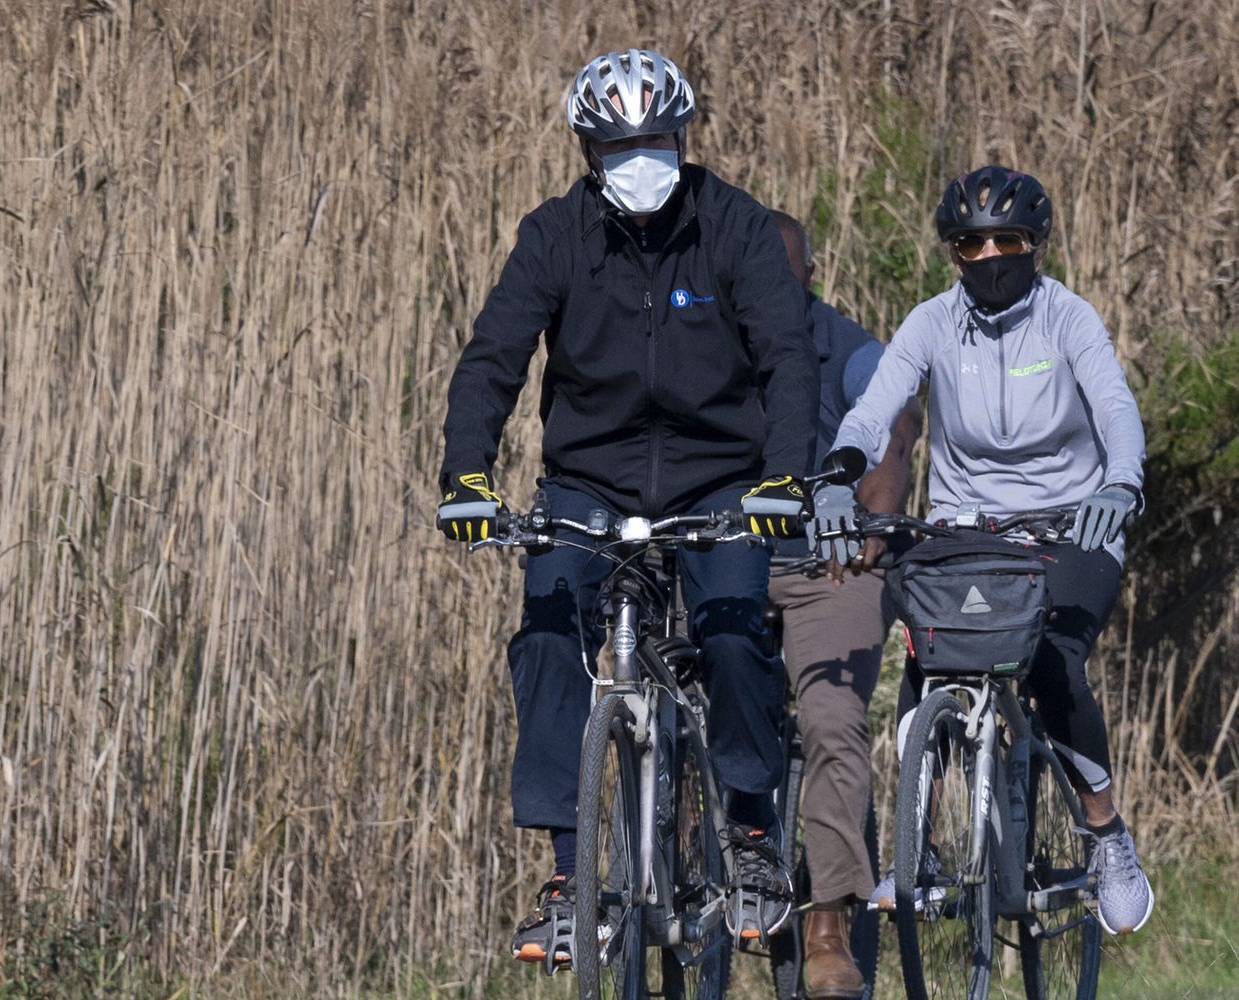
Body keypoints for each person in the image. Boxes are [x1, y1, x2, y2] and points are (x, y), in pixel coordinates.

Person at [435, 49, 820, 969]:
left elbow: (788, 359)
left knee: (732, 636)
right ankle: (571, 876)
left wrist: (782, 477)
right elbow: (495, 356)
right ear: (586, 147)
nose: (638, 158)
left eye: (654, 140)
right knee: (544, 630)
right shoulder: (555, 234)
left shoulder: (733, 226)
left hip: (718, 478)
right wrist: (466, 477)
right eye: (617, 145)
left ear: (682, 139)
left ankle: (754, 837)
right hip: (589, 483)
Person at [815, 165, 1154, 935]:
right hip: (966, 527)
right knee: (926, 654)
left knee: (1053, 661)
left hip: (1074, 523)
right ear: (952, 251)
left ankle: (1105, 835)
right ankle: (920, 851)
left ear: (1035, 246)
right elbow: (875, 410)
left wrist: (1119, 483)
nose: (990, 255)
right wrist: (838, 475)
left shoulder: (1068, 318)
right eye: (971, 243)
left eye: (1009, 240)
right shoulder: (932, 321)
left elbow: (1115, 406)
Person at [766, 211, 922, 998]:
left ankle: (827, 924)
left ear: (811, 281)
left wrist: (881, 500)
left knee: (830, 718)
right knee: (680, 689)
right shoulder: (707, 348)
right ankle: (692, 864)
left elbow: (897, 412)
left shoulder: (843, 344)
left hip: (829, 565)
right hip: (726, 562)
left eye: (784, 281)